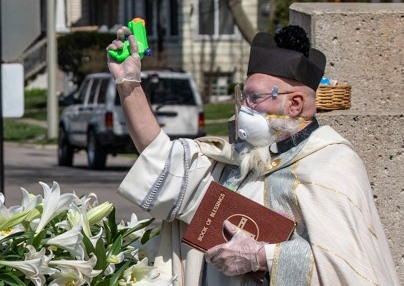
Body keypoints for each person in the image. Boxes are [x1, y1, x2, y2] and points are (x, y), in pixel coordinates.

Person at [106, 25, 400, 286]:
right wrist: (128, 84)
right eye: (242, 96)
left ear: (295, 104)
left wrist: (262, 257)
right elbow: (162, 161)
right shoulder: (239, 162)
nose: (244, 107)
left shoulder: (331, 163)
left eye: (254, 98)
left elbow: (347, 267)